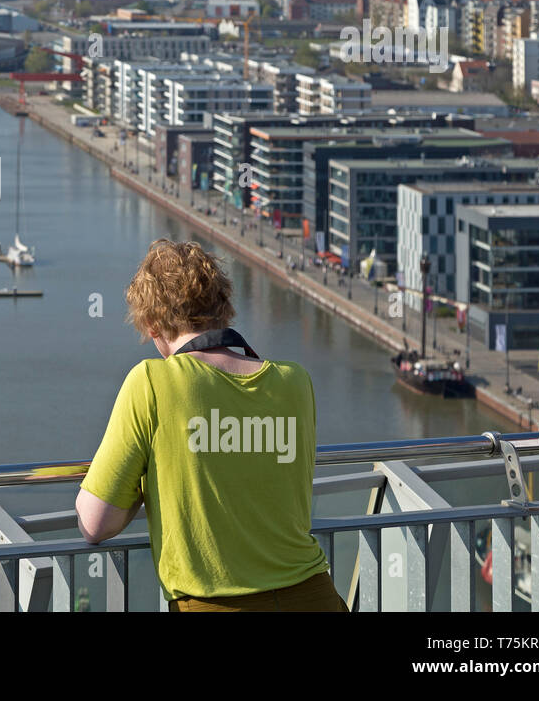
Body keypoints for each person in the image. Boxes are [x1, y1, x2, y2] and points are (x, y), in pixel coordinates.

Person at [76, 239, 345, 613]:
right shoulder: (295, 382)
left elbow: (95, 523)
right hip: (315, 597)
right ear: (224, 307)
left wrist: (145, 480)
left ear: (152, 324)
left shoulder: (152, 382)